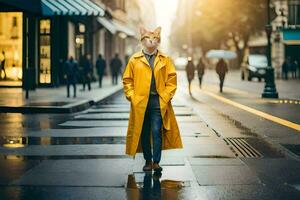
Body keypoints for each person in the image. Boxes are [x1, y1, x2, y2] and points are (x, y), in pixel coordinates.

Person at [122, 27, 183, 174]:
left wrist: (166, 96)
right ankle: (147, 161)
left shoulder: (165, 59)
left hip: (158, 102)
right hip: (140, 103)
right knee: (144, 132)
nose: (151, 41)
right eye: (148, 38)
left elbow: (172, 79)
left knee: (157, 131)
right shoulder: (134, 60)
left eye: (154, 38)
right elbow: (127, 80)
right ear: (142, 40)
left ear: (158, 41)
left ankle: (156, 162)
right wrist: (132, 96)